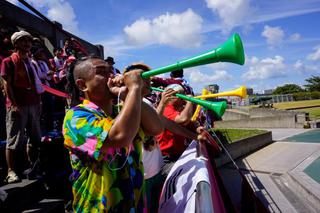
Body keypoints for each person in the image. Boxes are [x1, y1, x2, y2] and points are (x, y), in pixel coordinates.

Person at [62, 56, 163, 212]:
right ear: (82, 85)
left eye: (111, 71)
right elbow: (119, 136)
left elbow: (156, 127)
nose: (112, 77)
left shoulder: (123, 111)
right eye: (102, 72)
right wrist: (134, 89)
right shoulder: (75, 117)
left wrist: (127, 95)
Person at [1, 30, 44, 183]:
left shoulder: (31, 62)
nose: (28, 43)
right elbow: (7, 84)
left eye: (29, 41)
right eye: (24, 40)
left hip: (33, 103)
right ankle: (11, 171)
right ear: (16, 43)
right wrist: (13, 104)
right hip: (18, 105)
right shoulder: (8, 61)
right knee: (14, 140)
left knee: (35, 138)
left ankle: (31, 167)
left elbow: (36, 84)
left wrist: (39, 101)